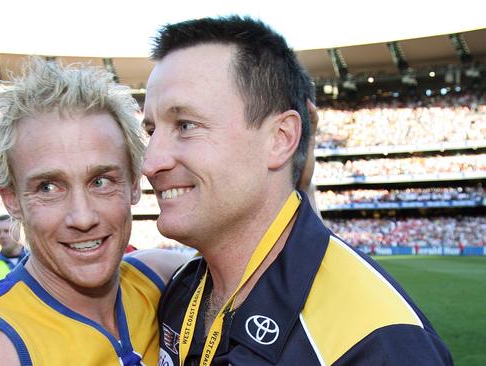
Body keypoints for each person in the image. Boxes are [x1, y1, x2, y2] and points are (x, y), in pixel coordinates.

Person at [143, 16, 453, 365]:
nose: (150, 163)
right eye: (152, 130)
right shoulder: (181, 294)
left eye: (185, 125)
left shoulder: (378, 342)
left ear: (280, 139)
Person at [0, 58, 186, 365]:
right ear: (12, 199)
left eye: (101, 181)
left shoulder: (166, 279)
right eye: (49, 187)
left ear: (134, 184)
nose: (82, 217)